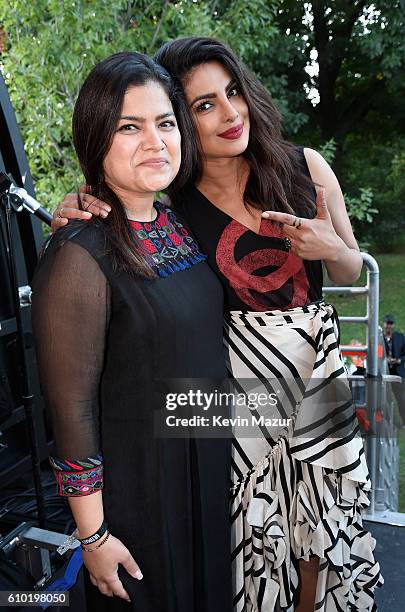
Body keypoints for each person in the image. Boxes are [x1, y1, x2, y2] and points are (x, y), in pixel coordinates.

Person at [52, 38, 383, 611]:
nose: (229, 114)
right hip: (234, 398)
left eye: (232, 93)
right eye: (203, 105)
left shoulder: (305, 167)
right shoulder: (176, 199)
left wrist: (331, 247)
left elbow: (351, 265)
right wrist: (80, 201)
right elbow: (125, 213)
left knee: (325, 537)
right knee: (262, 537)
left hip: (315, 375)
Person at [32, 51, 233, 612]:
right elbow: (70, 408)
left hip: (205, 479)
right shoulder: (78, 254)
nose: (155, 141)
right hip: (139, 505)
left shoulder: (176, 221)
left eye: (165, 123)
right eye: (129, 126)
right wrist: (93, 537)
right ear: (96, 137)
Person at [383, 314, 405, 425]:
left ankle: (404, 422)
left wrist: (399, 360)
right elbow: (376, 355)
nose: (389, 326)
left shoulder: (400, 337)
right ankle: (386, 422)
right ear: (384, 324)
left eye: (391, 323)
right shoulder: (379, 338)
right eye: (387, 323)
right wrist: (384, 360)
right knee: (384, 399)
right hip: (384, 373)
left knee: (401, 398)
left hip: (398, 373)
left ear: (393, 325)